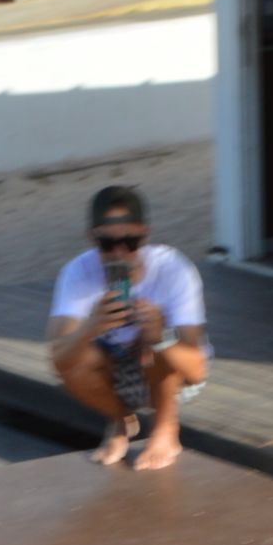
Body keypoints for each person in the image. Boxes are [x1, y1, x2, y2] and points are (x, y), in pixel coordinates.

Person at [49, 180, 208, 471]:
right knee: (76, 361)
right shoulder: (77, 272)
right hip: (116, 368)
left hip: (172, 377)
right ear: (91, 237)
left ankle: (164, 431)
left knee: (156, 346)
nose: (120, 253)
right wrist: (91, 327)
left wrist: (160, 336)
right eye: (107, 244)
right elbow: (58, 359)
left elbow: (196, 370)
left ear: (145, 234)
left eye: (130, 242)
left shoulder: (173, 269)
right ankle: (121, 421)